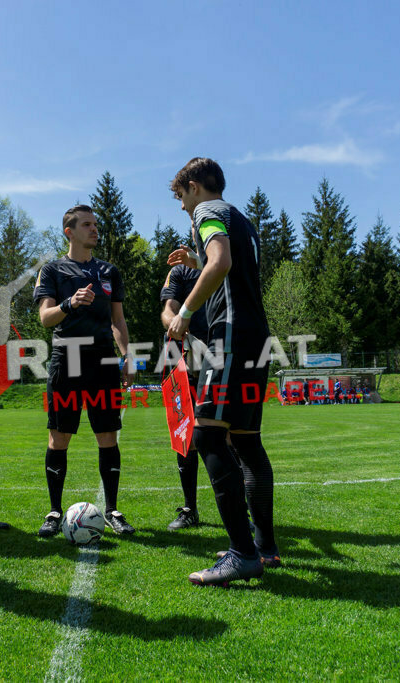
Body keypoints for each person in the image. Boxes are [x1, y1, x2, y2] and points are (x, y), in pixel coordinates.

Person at [165, 157, 280, 587]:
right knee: (248, 444)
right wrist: (197, 261)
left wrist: (186, 312)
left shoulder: (207, 212)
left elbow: (222, 263)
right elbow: (227, 266)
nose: (181, 207)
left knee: (208, 435)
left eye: (180, 196)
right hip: (255, 335)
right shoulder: (242, 219)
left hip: (229, 336)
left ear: (194, 187)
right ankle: (264, 547)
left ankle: (242, 554)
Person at [33, 204, 135, 537]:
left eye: (96, 224)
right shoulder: (52, 271)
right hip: (68, 359)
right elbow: (45, 318)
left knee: (107, 435)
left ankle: (113, 510)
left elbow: (117, 319)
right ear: (69, 231)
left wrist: (126, 355)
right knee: (58, 437)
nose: (95, 229)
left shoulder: (109, 271)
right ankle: (53, 511)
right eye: (87, 225)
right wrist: (69, 303)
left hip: (103, 361)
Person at [160, 263, 209, 530]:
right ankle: (190, 508)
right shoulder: (180, 272)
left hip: (221, 355)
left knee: (229, 437)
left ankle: (241, 510)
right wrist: (175, 324)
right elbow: (167, 311)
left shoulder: (223, 261)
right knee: (185, 436)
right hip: (185, 360)